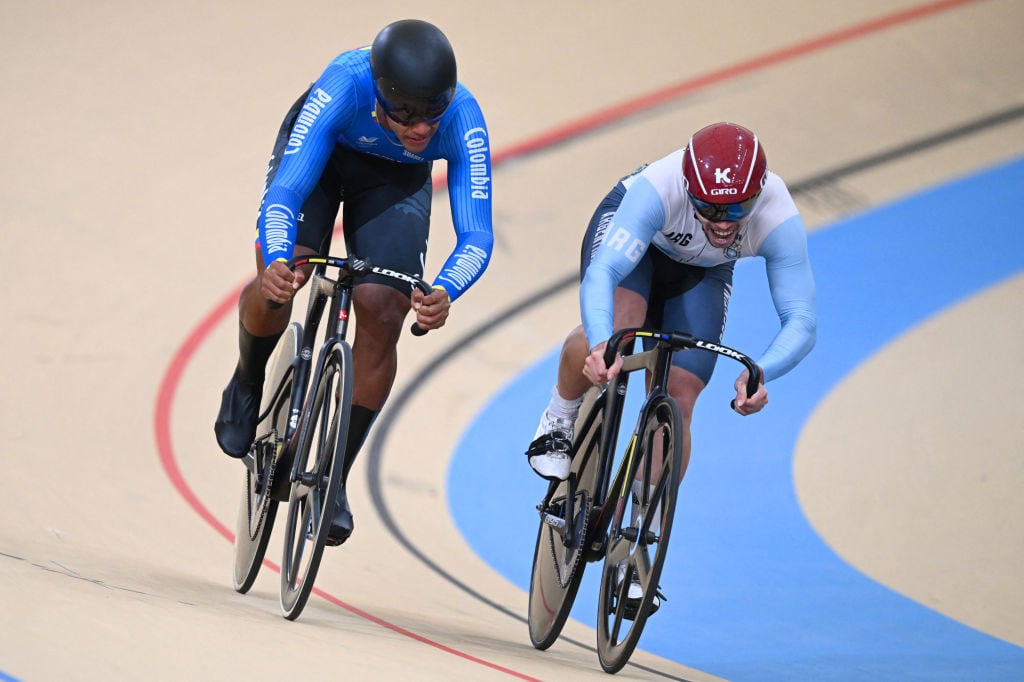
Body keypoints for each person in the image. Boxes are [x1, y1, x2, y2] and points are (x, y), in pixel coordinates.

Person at [215, 19, 494, 547]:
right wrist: (277, 259)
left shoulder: (462, 117)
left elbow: (477, 234)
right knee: (284, 278)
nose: (422, 128)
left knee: (385, 310)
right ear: (380, 97)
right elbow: (286, 193)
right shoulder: (345, 83)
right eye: (405, 113)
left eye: (432, 113)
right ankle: (247, 378)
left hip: (393, 181)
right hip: (323, 158)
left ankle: (334, 476)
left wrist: (445, 289)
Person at [525, 121, 816, 612]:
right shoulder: (658, 188)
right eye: (710, 208)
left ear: (758, 193)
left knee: (679, 398)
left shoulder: (777, 212)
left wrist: (762, 370)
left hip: (700, 274)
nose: (723, 223)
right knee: (618, 335)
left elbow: (802, 319)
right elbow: (604, 273)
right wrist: (601, 343)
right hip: (636, 251)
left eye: (737, 209)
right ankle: (559, 415)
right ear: (688, 187)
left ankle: (639, 541)